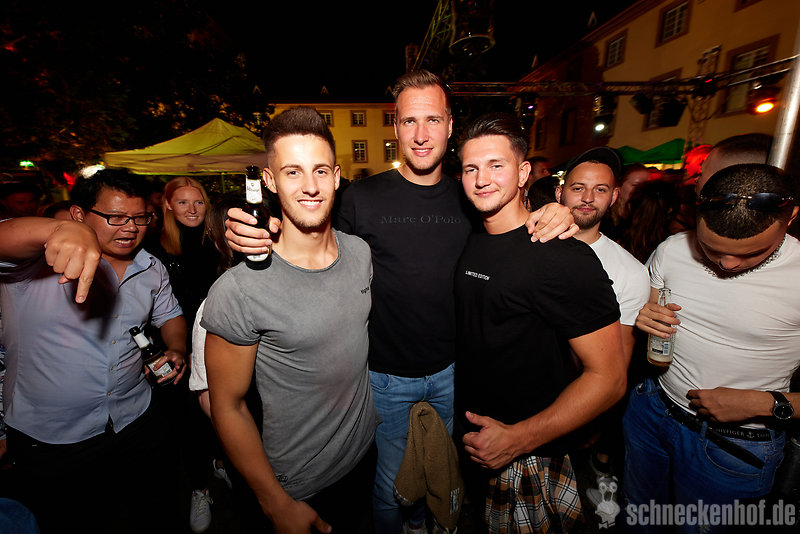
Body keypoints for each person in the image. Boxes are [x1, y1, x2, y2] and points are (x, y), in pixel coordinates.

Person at [222, 69, 578, 534]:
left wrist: (556, 210)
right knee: (391, 486)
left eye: (433, 120)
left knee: (445, 475)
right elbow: (310, 236)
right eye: (410, 121)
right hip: (385, 377)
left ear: (450, 126)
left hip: (455, 374)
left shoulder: (471, 196)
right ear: (395, 127)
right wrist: (256, 228)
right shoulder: (359, 199)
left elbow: (510, 221)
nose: (421, 134)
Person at [201, 107, 378, 534]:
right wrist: (275, 503)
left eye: (320, 171)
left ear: (337, 177)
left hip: (364, 459)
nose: (310, 186)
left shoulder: (360, 253)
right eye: (293, 172)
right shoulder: (238, 289)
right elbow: (227, 406)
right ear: (269, 180)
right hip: (300, 486)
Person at [454, 113, 626, 533]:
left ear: (523, 173)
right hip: (478, 443)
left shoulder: (562, 257)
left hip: (526, 452)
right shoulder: (472, 237)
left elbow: (609, 379)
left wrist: (518, 439)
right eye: (471, 168)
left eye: (496, 165)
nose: (482, 179)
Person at [0, 168, 186, 534]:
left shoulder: (151, 267)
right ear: (79, 214)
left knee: (154, 513)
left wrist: (177, 347)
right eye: (116, 217)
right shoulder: (37, 262)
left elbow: (170, 316)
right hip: (53, 437)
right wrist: (59, 230)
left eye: (140, 218)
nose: (130, 228)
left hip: (135, 417)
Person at [623, 163, 800, 533]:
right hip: (652, 409)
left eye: (752, 253)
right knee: (639, 517)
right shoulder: (672, 249)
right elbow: (653, 319)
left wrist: (763, 404)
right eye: (710, 248)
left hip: (736, 444)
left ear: (791, 218)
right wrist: (644, 319)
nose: (727, 263)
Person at [554, 146, 650, 523]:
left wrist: (594, 416)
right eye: (578, 187)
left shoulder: (629, 272)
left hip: (577, 401)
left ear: (614, 197)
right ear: (560, 192)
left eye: (600, 189)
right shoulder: (527, 245)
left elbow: (617, 363)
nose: (587, 198)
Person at [145, 176, 226, 533]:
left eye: (198, 202)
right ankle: (200, 487)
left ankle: (221, 462)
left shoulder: (218, 242)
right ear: (167, 205)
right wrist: (181, 347)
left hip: (220, 340)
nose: (192, 210)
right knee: (190, 419)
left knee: (223, 410)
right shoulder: (153, 248)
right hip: (179, 346)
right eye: (182, 202)